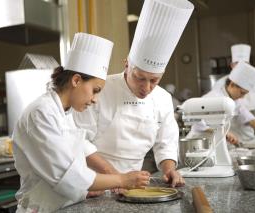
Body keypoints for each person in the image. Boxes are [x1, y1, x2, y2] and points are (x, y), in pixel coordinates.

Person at [12, 33, 150, 213]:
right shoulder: (41, 113)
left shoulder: (63, 112)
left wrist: (87, 189)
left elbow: (78, 156)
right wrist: (122, 180)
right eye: (95, 90)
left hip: (64, 206)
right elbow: (67, 176)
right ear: (76, 80)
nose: (95, 99)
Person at [73, 0, 194, 187]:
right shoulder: (99, 90)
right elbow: (81, 141)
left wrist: (169, 169)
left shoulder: (163, 98)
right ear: (127, 65)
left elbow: (165, 143)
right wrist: (117, 179)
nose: (146, 87)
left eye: (154, 80)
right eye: (140, 78)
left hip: (135, 184)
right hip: (95, 182)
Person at [189, 61, 255, 151]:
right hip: (197, 145)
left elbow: (248, 117)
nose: (243, 96)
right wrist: (224, 133)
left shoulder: (234, 100)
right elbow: (196, 121)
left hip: (213, 146)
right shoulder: (213, 97)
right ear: (232, 85)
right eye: (242, 93)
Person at [213, 44, 255, 145]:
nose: (242, 67)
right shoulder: (220, 86)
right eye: (238, 63)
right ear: (231, 65)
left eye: (245, 63)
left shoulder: (253, 84)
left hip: (253, 137)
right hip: (232, 139)